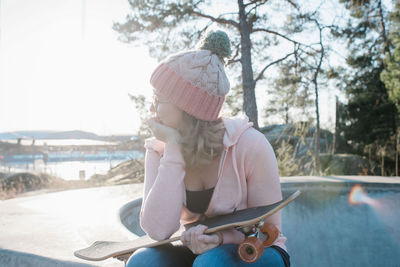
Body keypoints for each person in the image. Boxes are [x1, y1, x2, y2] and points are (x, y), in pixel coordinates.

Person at [127, 29, 290, 267]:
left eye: (159, 100)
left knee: (211, 264)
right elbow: (157, 230)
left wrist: (221, 238)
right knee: (143, 263)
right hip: (195, 250)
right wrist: (174, 147)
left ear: (188, 108)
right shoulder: (158, 149)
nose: (151, 109)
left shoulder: (250, 146)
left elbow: (269, 230)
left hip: (258, 250)